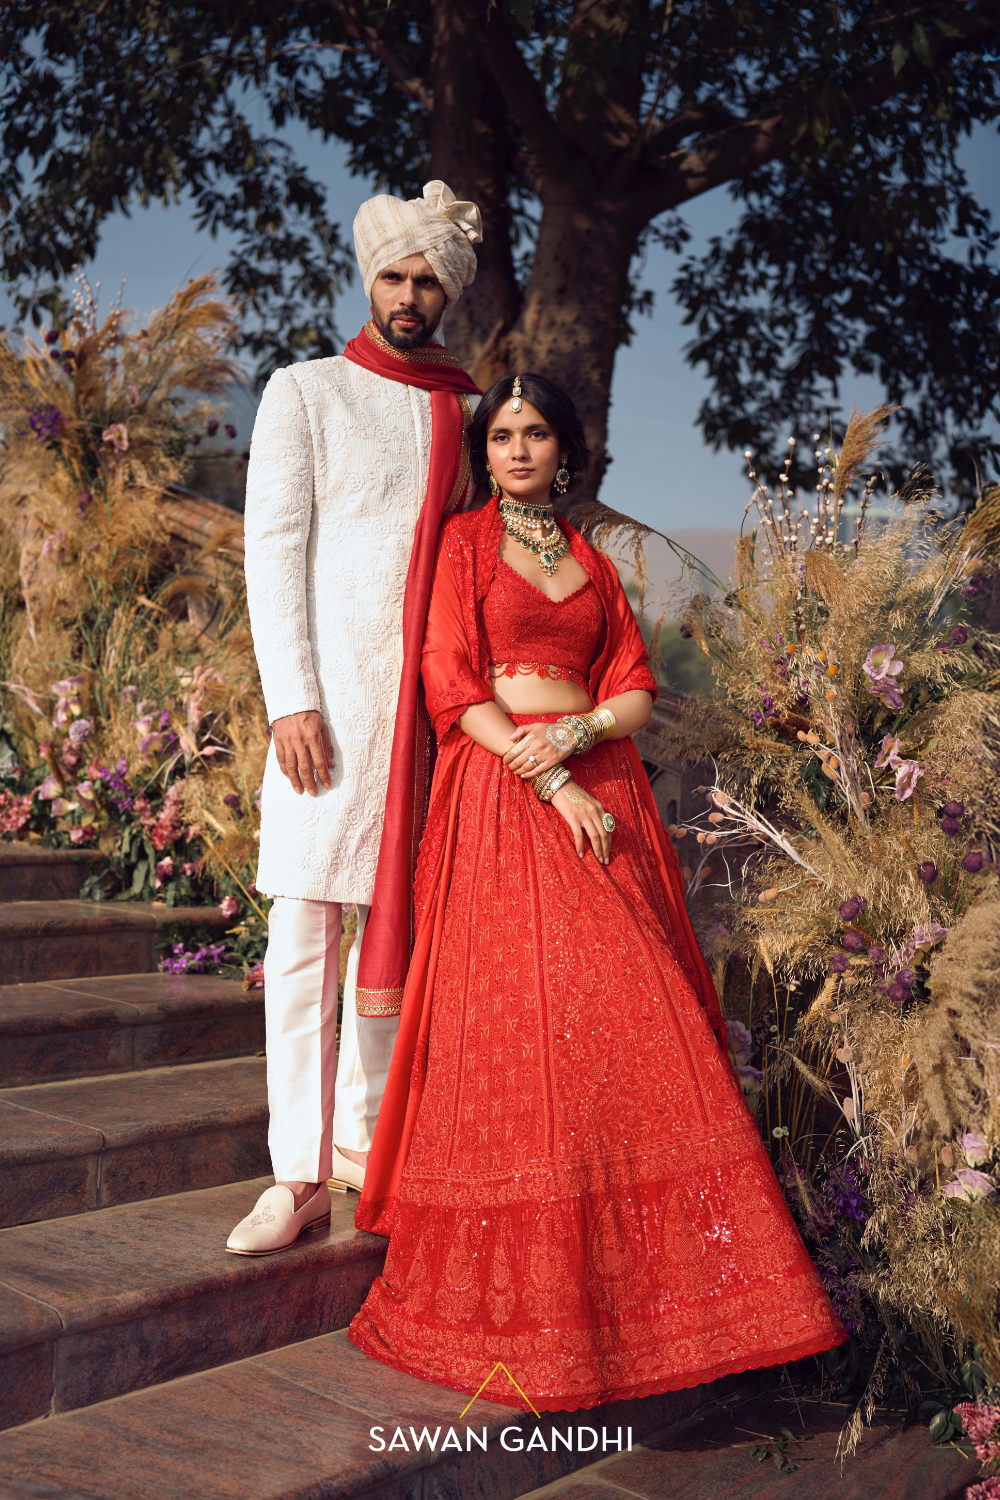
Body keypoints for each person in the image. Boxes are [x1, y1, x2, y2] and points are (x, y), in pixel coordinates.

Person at [346, 373, 846, 1408]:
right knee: (527, 1033)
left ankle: (667, 1306)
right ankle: (528, 1312)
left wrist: (575, 737)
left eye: (535, 434)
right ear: (483, 454)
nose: (518, 449)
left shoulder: (590, 561)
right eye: (502, 435)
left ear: (565, 451)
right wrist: (548, 769)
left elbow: (632, 683)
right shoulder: (464, 548)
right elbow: (449, 678)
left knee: (637, 1020)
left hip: (597, 786)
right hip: (504, 795)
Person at [227, 182, 483, 1256]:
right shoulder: (305, 389)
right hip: (323, 712)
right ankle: (291, 1174)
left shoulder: (460, 412)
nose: (411, 295)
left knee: (398, 936)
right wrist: (289, 694)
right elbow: (271, 547)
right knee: (300, 935)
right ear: (367, 279)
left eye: (429, 280)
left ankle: (359, 1157)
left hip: (420, 720)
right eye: (395, 275)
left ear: (447, 294)